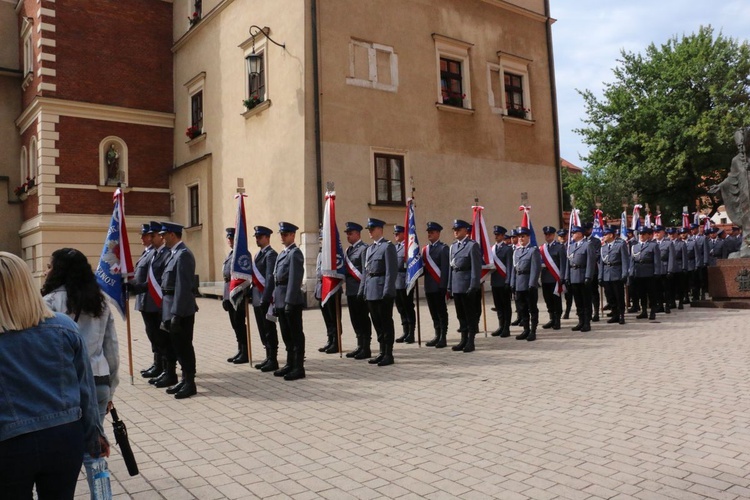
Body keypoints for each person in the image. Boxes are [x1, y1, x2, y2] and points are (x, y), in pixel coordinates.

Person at [0, 252, 109, 499]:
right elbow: (85, 390)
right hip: (64, 438)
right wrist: (94, 436)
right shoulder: (63, 326)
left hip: (10, 442)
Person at [41, 248, 119, 500]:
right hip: (98, 381)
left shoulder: (48, 303)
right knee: (95, 448)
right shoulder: (100, 301)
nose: (46, 270)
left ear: (59, 270)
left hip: (63, 386)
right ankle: (102, 496)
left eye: (50, 266)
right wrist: (112, 389)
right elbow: (112, 349)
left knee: (63, 454)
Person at [160, 222, 198, 399]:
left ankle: (190, 382)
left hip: (180, 309)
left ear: (173, 235)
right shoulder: (173, 254)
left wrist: (176, 314)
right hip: (170, 307)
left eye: (164, 234)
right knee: (177, 346)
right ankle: (184, 379)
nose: (162, 237)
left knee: (184, 346)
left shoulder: (183, 255)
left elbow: (183, 287)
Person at [359, 218, 398, 366]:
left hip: (382, 290)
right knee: (377, 323)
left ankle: (388, 353)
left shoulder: (387, 247)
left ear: (380, 229)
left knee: (386, 322)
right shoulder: (369, 249)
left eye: (372, 228)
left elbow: (391, 271)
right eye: (369, 229)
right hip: (371, 291)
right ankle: (381, 352)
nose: (369, 231)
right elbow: (365, 272)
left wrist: (388, 290)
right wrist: (363, 290)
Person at [272, 222, 306, 380]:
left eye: (285, 234)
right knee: (286, 334)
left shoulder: (295, 253)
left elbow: (294, 279)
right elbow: (276, 279)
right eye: (281, 234)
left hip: (290, 300)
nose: (282, 237)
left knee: (295, 334)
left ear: (293, 235)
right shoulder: (282, 254)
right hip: (280, 298)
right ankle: (289, 363)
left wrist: (289, 302)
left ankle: (299, 367)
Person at [448, 219, 482, 352]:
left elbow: (476, 267)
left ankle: (471, 341)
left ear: (465, 231)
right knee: (460, 315)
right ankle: (463, 339)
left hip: (467, 284)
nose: (455, 232)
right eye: (454, 230)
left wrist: (473, 285)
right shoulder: (453, 246)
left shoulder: (472, 245)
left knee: (470, 315)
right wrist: (450, 286)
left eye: (458, 229)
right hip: (457, 284)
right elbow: (452, 268)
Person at [132, 223, 160, 377]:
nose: (142, 238)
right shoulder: (147, 252)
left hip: (152, 300)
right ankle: (157, 363)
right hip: (144, 299)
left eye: (145, 235)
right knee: (151, 333)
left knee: (156, 334)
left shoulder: (154, 253)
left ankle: (160, 364)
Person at [250, 226, 279, 370]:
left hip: (266, 298)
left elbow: (269, 278)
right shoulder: (258, 255)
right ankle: (268, 356)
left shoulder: (270, 255)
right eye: (256, 237)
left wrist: (266, 298)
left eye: (260, 237)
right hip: (257, 297)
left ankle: (273, 359)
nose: (257, 239)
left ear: (267, 238)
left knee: (269, 328)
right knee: (262, 328)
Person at [343, 222, 372, 359]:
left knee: (363, 319)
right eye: (347, 234)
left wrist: (361, 290)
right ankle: (359, 345)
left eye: (350, 233)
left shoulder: (364, 249)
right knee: (354, 319)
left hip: (360, 290)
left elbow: (365, 272)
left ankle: (366, 347)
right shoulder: (348, 250)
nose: (348, 236)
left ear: (358, 234)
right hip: (350, 290)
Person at [223, 227, 249, 364]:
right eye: (228, 238)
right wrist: (224, 297)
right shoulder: (230, 254)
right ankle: (240, 349)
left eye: (232, 238)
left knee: (239, 323)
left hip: (238, 294)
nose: (230, 240)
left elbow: (245, 276)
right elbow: (226, 278)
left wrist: (243, 293)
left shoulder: (243, 255)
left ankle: (245, 352)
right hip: (229, 293)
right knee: (234, 324)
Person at [510, 227, 541, 341]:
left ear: (528, 237)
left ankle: (533, 331)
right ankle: (526, 329)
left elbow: (535, 269)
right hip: (519, 283)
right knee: (522, 308)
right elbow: (514, 269)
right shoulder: (516, 251)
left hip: (529, 283)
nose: (521, 238)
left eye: (523, 236)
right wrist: (513, 283)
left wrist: (532, 284)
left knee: (532, 308)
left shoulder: (533, 250)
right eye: (519, 236)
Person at [423, 222, 450, 348]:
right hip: (429, 285)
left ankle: (443, 336)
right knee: (433, 312)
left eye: (432, 232)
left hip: (439, 285)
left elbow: (445, 269)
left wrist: (443, 286)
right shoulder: (426, 250)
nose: (430, 234)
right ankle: (436, 334)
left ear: (438, 233)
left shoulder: (443, 248)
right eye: (428, 232)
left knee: (441, 311)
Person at [565, 226, 596, 332]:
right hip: (573, 276)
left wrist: (588, 276)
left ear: (580, 234)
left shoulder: (588, 245)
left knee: (586, 301)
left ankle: (587, 322)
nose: (572, 234)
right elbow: (568, 263)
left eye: (574, 232)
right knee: (578, 301)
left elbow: (590, 262)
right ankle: (581, 321)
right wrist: (567, 277)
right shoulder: (571, 247)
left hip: (583, 276)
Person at [599, 227, 629, 324]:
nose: (603, 237)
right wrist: (600, 276)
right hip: (606, 275)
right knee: (610, 296)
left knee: (619, 296)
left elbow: (625, 261)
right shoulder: (603, 247)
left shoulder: (620, 245)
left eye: (605, 235)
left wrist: (624, 274)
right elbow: (601, 263)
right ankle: (615, 314)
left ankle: (621, 315)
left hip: (617, 273)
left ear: (611, 235)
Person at [630, 226, 661, 320]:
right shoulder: (634, 246)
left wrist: (657, 272)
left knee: (651, 293)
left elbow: (657, 260)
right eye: (640, 234)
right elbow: (632, 260)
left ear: (648, 235)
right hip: (638, 272)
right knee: (641, 293)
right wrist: (631, 272)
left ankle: (652, 311)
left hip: (649, 272)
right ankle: (644, 311)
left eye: (644, 234)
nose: (641, 236)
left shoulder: (653, 245)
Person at [315, 244, 340, 355]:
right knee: (326, 316)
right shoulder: (321, 254)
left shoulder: (334, 254)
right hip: (322, 288)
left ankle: (336, 341)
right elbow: (318, 272)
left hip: (332, 289)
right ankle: (330, 339)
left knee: (333, 315)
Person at [393, 225, 416, 344]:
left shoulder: (409, 248)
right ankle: (405, 331)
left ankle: (411, 333)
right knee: (400, 308)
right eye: (394, 233)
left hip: (406, 281)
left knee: (408, 307)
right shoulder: (395, 247)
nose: (395, 235)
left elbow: (414, 264)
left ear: (404, 234)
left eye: (397, 233)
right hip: (396, 282)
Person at [539, 225, 565, 331]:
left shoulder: (559, 247)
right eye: (546, 234)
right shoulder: (542, 248)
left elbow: (563, 263)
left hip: (555, 278)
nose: (548, 236)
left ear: (554, 235)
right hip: (545, 278)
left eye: (549, 234)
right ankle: (551, 318)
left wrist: (562, 278)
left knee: (556, 300)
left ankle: (557, 320)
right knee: (547, 299)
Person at [490, 226, 513, 337]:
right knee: (498, 306)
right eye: (495, 234)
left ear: (503, 235)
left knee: (505, 306)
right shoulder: (492, 249)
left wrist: (508, 281)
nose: (496, 236)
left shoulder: (508, 249)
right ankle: (501, 325)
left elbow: (509, 267)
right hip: (495, 281)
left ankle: (506, 328)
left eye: (498, 234)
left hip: (504, 281)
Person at [653, 226, 675, 314]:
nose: (656, 234)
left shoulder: (668, 243)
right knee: (657, 289)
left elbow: (671, 258)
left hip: (664, 269)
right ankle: (660, 305)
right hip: (655, 270)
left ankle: (667, 305)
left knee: (666, 289)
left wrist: (670, 270)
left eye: (658, 232)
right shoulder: (653, 243)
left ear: (663, 232)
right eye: (655, 232)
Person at [557, 228, 574, 319]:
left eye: (564, 236)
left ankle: (567, 311)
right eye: (560, 236)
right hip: (557, 274)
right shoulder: (556, 247)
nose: (562, 238)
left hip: (569, 274)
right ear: (558, 237)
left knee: (569, 294)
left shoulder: (571, 246)